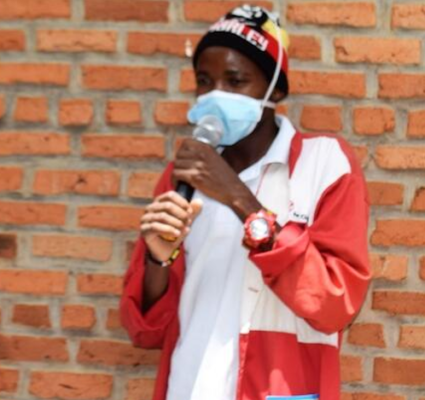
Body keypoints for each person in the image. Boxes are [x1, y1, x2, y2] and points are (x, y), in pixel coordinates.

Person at [120, 5, 370, 400]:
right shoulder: (180, 175)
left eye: (235, 81)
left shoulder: (324, 163)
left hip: (277, 389)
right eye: (205, 80)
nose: (216, 94)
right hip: (186, 387)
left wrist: (238, 197)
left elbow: (335, 304)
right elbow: (146, 328)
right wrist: (157, 261)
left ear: (276, 89)